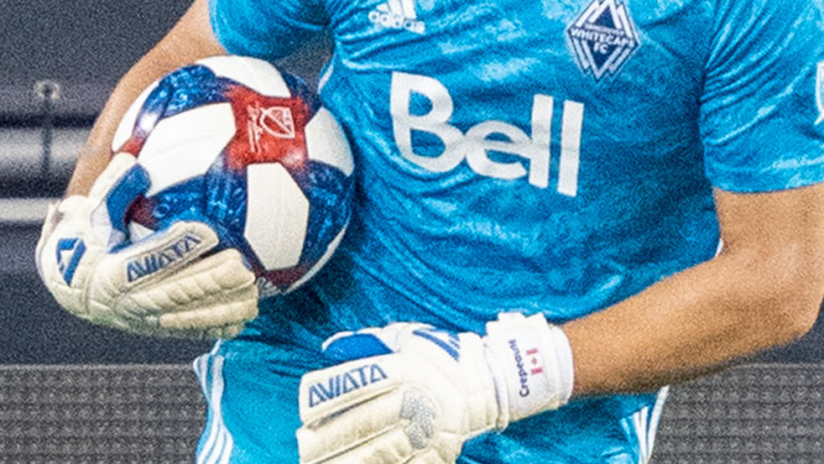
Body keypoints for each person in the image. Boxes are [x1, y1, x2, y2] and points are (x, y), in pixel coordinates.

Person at [35, 0, 824, 462]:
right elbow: (191, 53)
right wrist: (84, 221)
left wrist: (491, 379)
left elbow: (775, 279)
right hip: (305, 375)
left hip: (554, 413)